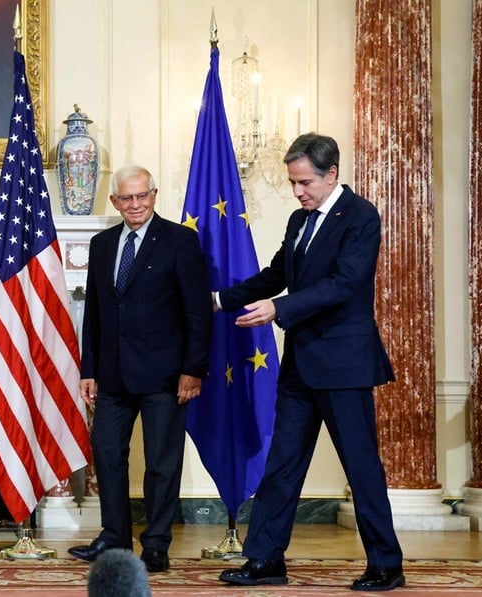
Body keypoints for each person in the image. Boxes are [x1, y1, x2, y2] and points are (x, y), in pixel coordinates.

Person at [216, 133, 404, 592]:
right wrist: (219, 300)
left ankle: (386, 564)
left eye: (305, 182)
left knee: (360, 466)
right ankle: (265, 559)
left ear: (331, 173)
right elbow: (276, 274)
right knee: (282, 463)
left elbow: (344, 283)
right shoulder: (299, 220)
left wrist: (278, 309)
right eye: (292, 182)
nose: (298, 191)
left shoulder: (360, 216)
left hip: (344, 364)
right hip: (301, 364)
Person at [68, 165, 214, 573]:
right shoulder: (102, 245)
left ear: (153, 195)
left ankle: (156, 545)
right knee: (107, 454)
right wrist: (89, 368)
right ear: (114, 201)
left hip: (166, 375)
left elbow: (198, 312)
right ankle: (114, 538)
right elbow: (95, 313)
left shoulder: (180, 241)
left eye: (142, 196)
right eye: (127, 198)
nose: (135, 204)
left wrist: (194, 369)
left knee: (161, 463)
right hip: (112, 374)